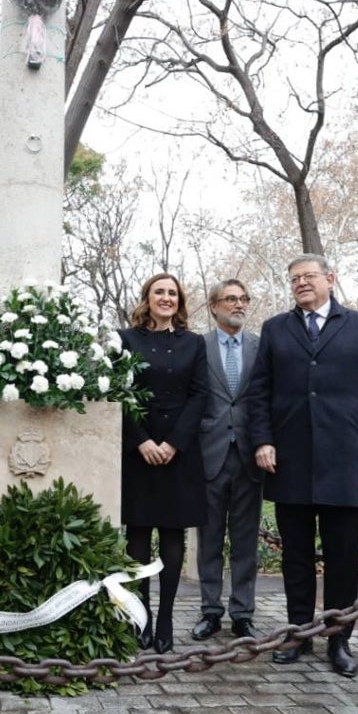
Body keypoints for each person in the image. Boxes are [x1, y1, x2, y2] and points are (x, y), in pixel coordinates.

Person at [244, 253, 358, 678]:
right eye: (294, 279)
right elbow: (260, 393)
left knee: (342, 557)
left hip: (346, 460)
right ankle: (298, 633)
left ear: (330, 278)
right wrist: (263, 440)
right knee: (296, 557)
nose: (301, 284)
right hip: (289, 460)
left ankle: (340, 639)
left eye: (308, 276)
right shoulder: (276, 328)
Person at [120, 272, 209, 654]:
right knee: (137, 538)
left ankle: (167, 618)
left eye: (173, 293)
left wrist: (173, 443)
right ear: (147, 298)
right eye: (160, 292)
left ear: (180, 301)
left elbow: (200, 395)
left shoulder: (194, 343)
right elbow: (116, 392)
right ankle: (141, 617)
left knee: (173, 538)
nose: (166, 298)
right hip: (137, 448)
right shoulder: (125, 340)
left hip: (179, 452)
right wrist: (141, 441)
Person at [191, 279, 263, 642]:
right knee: (209, 541)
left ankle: (243, 614)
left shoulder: (259, 347)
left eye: (243, 299)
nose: (239, 305)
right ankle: (210, 612)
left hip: (251, 457)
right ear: (214, 306)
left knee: (246, 541)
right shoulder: (197, 346)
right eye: (230, 299)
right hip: (209, 454)